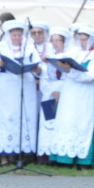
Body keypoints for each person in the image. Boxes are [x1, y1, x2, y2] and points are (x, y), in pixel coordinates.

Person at [0, 20, 42, 164]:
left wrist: (37, 69)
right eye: (14, 35)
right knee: (5, 118)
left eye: (19, 35)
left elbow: (39, 67)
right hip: (5, 89)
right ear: (9, 35)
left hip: (25, 86)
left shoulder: (29, 47)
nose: (17, 38)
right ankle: (4, 155)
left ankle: (21, 153)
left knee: (23, 117)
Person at [50, 27, 94, 168]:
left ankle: (84, 160)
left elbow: (90, 76)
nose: (82, 42)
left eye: (85, 39)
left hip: (86, 94)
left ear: (92, 40)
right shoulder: (73, 52)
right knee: (68, 121)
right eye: (80, 39)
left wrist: (71, 70)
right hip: (70, 92)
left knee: (84, 123)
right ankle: (64, 158)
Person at [37, 27, 71, 161]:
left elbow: (72, 76)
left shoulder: (70, 58)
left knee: (62, 124)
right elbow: (43, 78)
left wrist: (62, 92)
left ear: (64, 42)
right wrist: (52, 92)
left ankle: (61, 155)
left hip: (66, 93)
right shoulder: (47, 59)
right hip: (49, 94)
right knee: (48, 124)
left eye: (59, 41)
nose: (56, 43)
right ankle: (46, 155)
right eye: (53, 41)